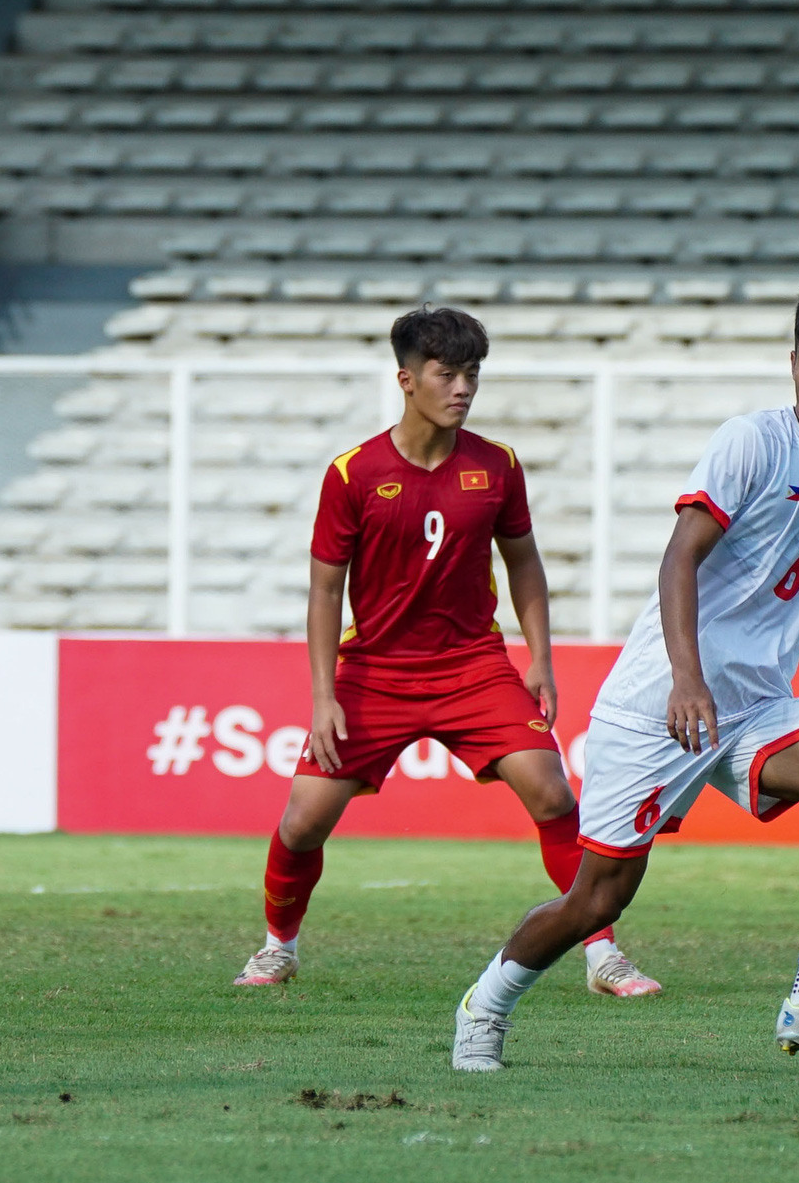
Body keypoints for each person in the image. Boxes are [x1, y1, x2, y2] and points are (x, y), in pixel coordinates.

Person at [452, 278, 799, 1072]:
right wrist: (685, 676)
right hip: (658, 703)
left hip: (755, 705)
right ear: (792, 360)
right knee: (597, 899)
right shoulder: (751, 441)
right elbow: (681, 556)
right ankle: (484, 1005)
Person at [234, 307, 658, 998]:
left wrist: (539, 658)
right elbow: (323, 591)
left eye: (472, 374)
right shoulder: (352, 473)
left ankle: (602, 954)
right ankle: (279, 945)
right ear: (406, 379)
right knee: (304, 819)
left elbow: (524, 565)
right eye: (447, 373)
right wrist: (323, 695)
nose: (462, 387)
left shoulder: (497, 466)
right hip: (375, 670)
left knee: (553, 792)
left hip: (473, 667)